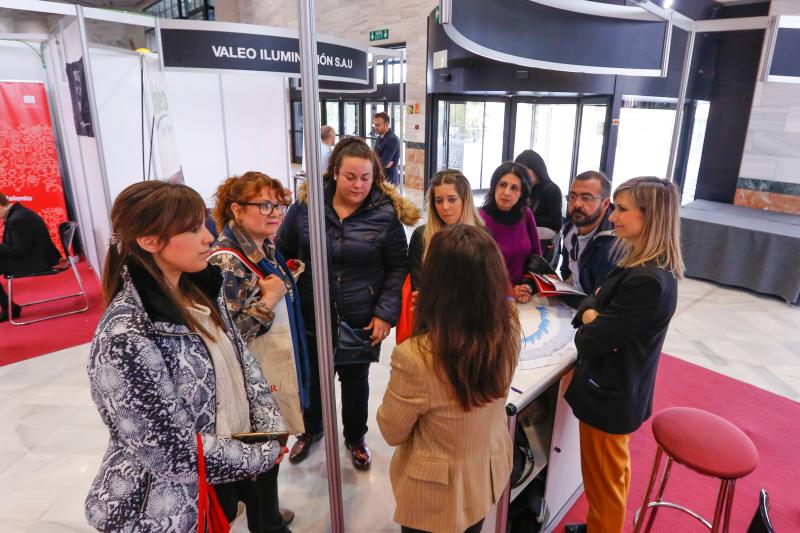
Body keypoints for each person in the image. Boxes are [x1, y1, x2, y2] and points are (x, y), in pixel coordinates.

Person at [85, 181, 286, 533]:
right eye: (194, 229)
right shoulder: (127, 334)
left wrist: (268, 429)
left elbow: (243, 363)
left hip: (216, 484)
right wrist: (262, 455)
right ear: (150, 241)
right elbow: (171, 451)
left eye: (205, 225)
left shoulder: (200, 290)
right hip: (165, 509)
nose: (209, 238)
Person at [277, 136, 419, 470]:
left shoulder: (384, 215)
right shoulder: (305, 208)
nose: (358, 185)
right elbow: (282, 253)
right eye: (350, 177)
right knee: (311, 380)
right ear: (334, 174)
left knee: (356, 383)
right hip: (311, 315)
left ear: (375, 177)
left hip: (360, 318)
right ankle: (311, 430)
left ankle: (355, 437)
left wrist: (385, 313)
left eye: (365, 178)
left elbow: (398, 267)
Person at [378, 224, 520, 533]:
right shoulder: (508, 327)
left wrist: (423, 328)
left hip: (436, 493)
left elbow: (391, 431)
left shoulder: (415, 356)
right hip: (485, 472)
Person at [564, 176, 683, 533]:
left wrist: (592, 314)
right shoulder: (638, 261)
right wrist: (593, 310)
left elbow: (590, 339)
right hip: (618, 388)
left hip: (610, 395)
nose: (613, 216)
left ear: (651, 216)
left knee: (605, 485)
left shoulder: (648, 279)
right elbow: (591, 300)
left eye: (623, 209)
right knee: (610, 476)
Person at [210, 172, 312, 532]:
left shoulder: (263, 246)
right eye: (264, 204)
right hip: (249, 381)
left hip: (265, 373)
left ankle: (267, 514)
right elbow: (227, 333)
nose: (275, 212)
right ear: (237, 209)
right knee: (260, 452)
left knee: (270, 449)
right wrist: (269, 300)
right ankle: (266, 523)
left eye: (279, 204)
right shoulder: (226, 260)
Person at [407, 169, 485, 290]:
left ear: (465, 201)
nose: (445, 207)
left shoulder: (482, 236)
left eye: (452, 199)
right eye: (439, 201)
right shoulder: (421, 236)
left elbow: (486, 286)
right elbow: (418, 287)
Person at [479, 162, 542, 304]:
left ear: (521, 193)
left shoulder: (526, 214)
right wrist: (507, 293)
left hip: (523, 296)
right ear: (494, 186)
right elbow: (477, 272)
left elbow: (536, 258)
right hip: (490, 298)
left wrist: (527, 286)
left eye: (514, 188)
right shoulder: (480, 220)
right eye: (502, 185)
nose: (507, 192)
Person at [0, 192, 61, 322]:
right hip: (35, 257)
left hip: (35, 262)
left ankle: (9, 307)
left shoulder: (18, 219)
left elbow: (19, 251)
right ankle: (8, 307)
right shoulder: (18, 213)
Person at [560, 170, 616, 302]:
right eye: (572, 197)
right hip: (573, 305)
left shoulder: (614, 243)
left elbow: (603, 300)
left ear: (605, 204)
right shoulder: (571, 226)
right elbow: (568, 269)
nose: (577, 204)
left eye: (586, 198)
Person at [514, 150, 563, 235]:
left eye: (524, 171)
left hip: (542, 241)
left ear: (536, 169)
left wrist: (525, 217)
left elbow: (556, 223)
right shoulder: (530, 188)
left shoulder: (551, 189)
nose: (522, 176)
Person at [373, 111, 401, 186]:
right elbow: (374, 156)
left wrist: (381, 163)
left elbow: (383, 162)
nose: (375, 128)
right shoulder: (380, 136)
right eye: (375, 125)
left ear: (386, 125)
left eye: (378, 125)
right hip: (380, 177)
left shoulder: (392, 139)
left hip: (389, 179)